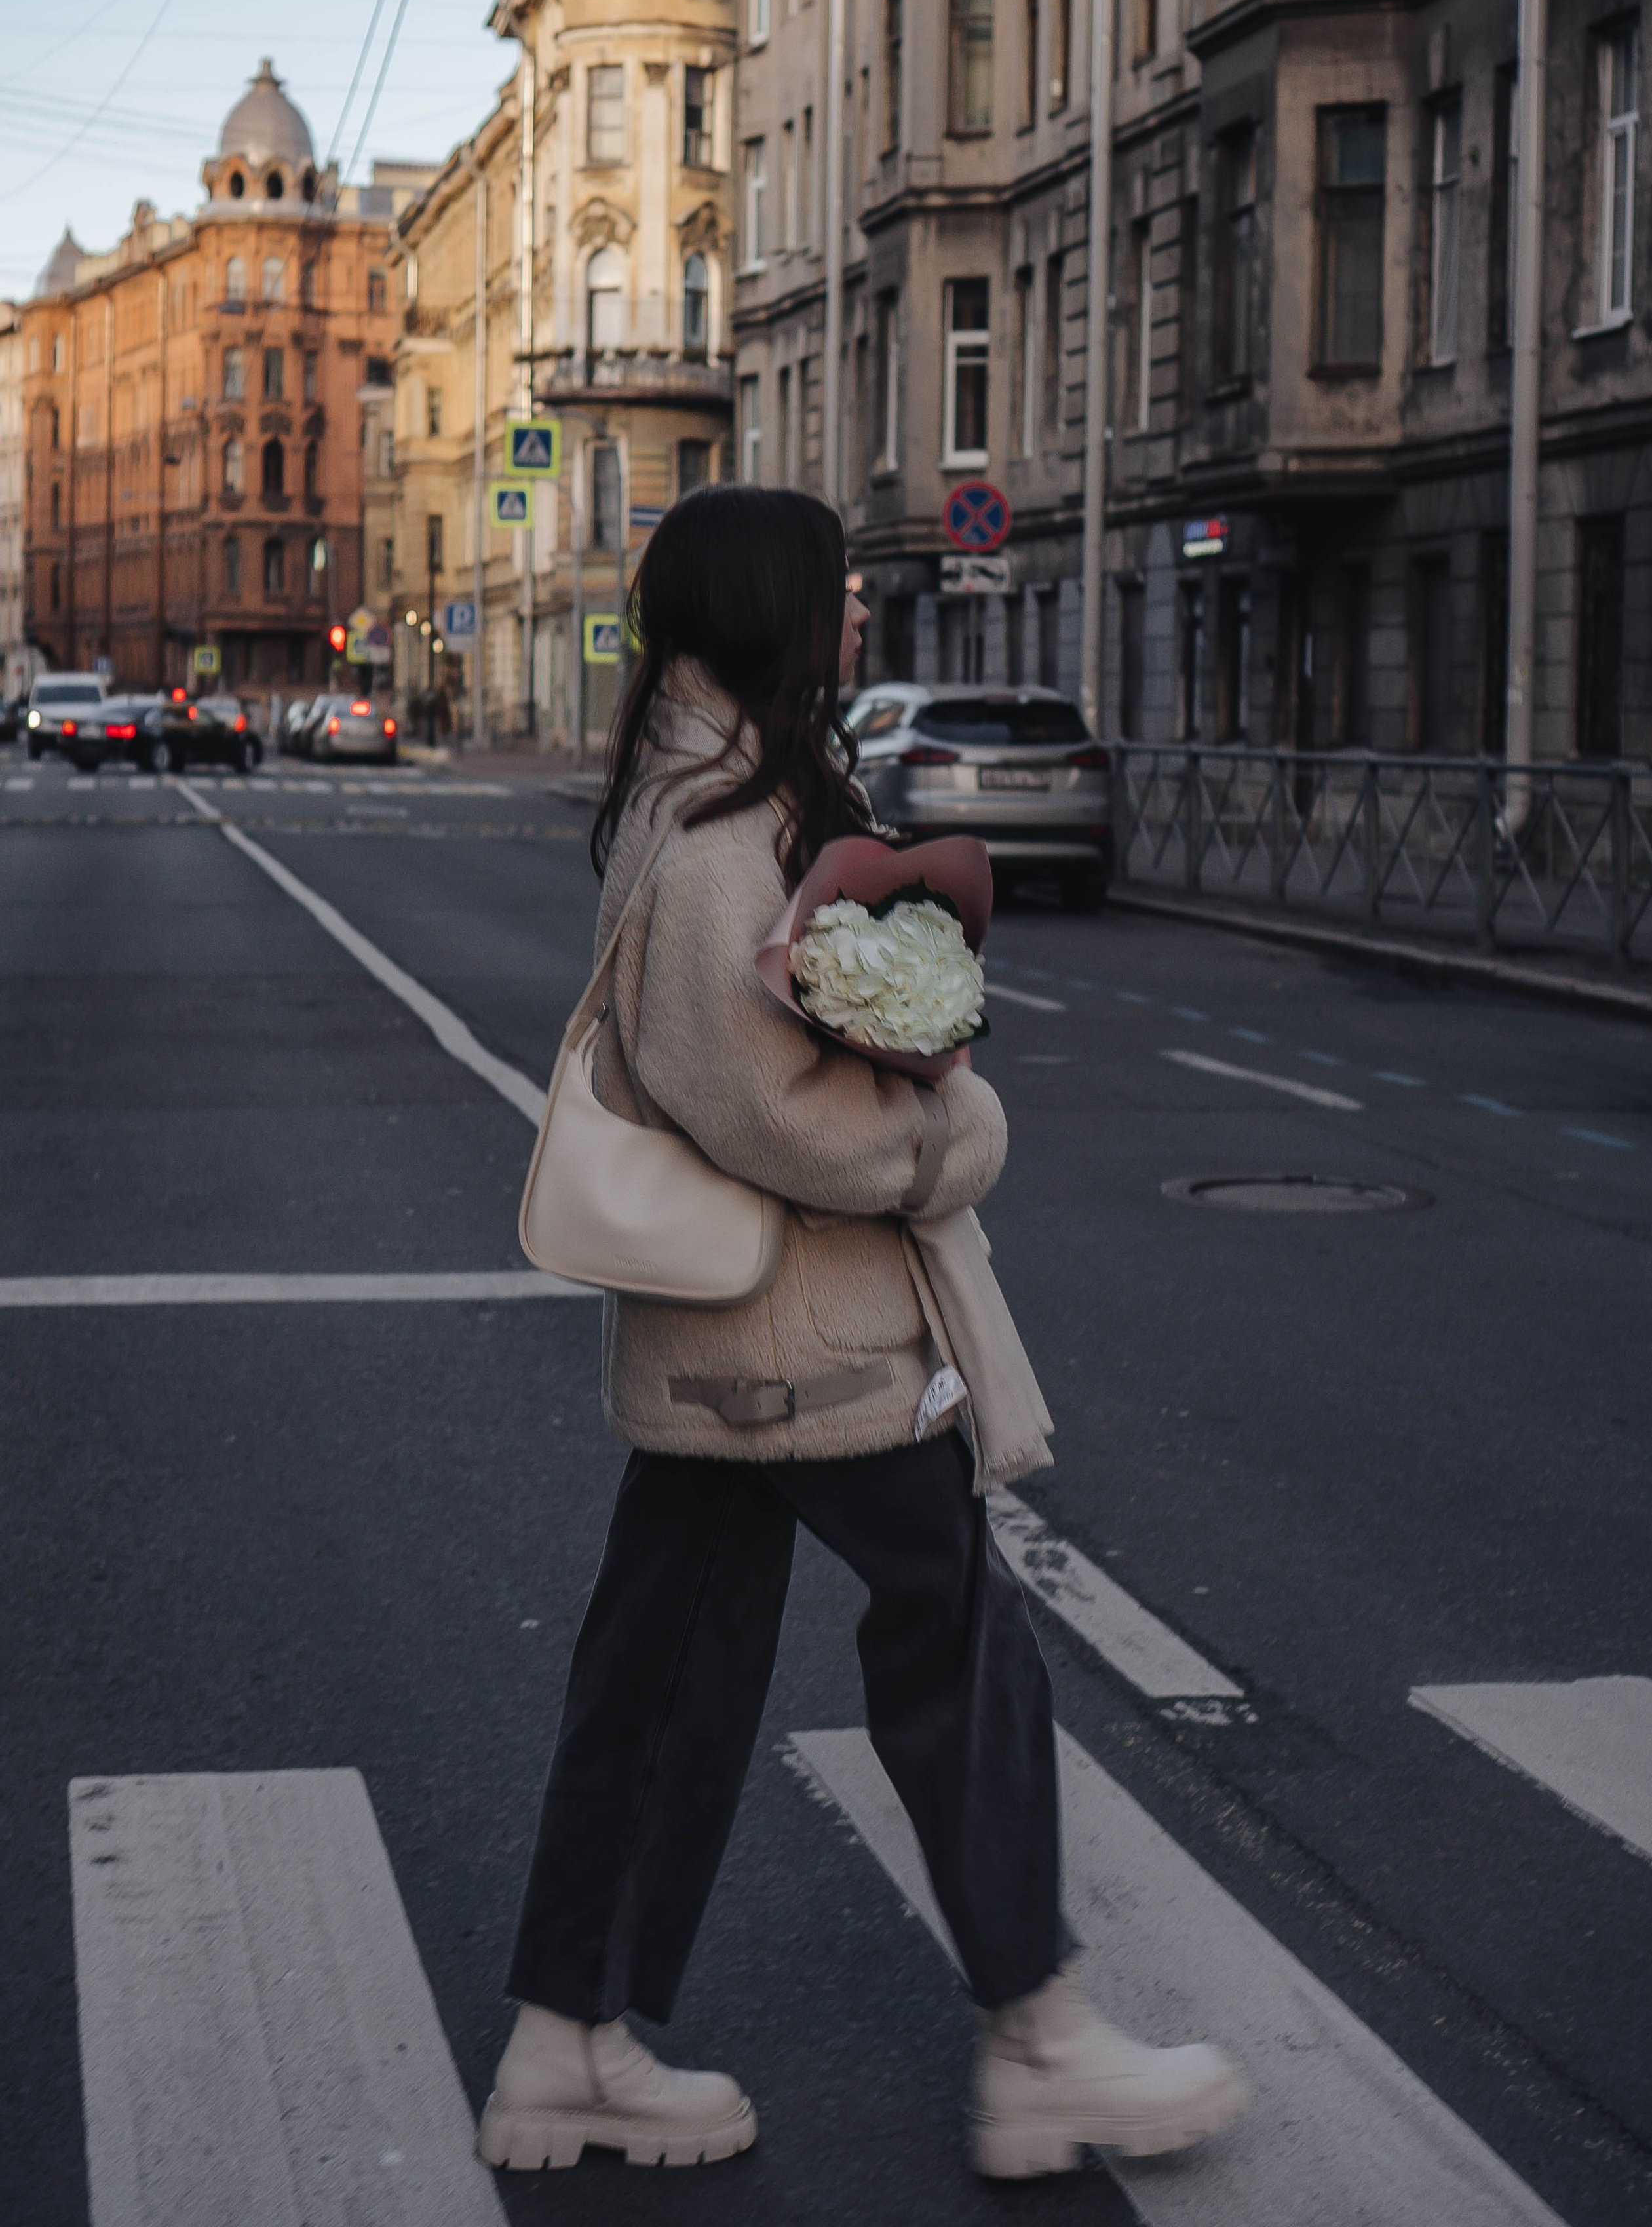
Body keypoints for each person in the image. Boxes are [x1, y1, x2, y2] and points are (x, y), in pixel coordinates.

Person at [478, 486, 1248, 2180]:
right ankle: (1037, 2039)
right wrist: (942, 1137)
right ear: (767, 610)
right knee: (957, 1644)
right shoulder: (711, 833)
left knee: (665, 1679)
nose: (854, 623)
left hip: (738, 1344)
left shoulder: (710, 798)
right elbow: (776, 1110)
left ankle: (568, 2040)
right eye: (835, 596)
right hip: (799, 1338)